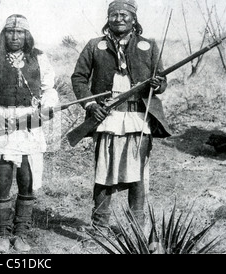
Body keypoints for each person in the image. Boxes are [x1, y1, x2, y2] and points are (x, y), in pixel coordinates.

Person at [71, 0, 171, 234]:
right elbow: (79, 78)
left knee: (138, 176)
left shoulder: (149, 45)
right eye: (114, 14)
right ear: (108, 18)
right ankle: (99, 228)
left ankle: (137, 230)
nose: (119, 19)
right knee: (103, 174)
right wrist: (90, 104)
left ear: (134, 18)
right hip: (107, 118)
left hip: (138, 118)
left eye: (125, 14)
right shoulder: (95, 46)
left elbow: (162, 81)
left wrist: (157, 84)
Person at [0, 14, 59, 253]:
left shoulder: (39, 58)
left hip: (30, 123)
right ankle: (2, 235)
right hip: (1, 122)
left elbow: (49, 90)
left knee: (26, 179)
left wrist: (45, 108)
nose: (15, 36)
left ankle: (20, 235)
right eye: (10, 32)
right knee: (2, 179)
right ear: (4, 34)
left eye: (20, 32)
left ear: (27, 35)